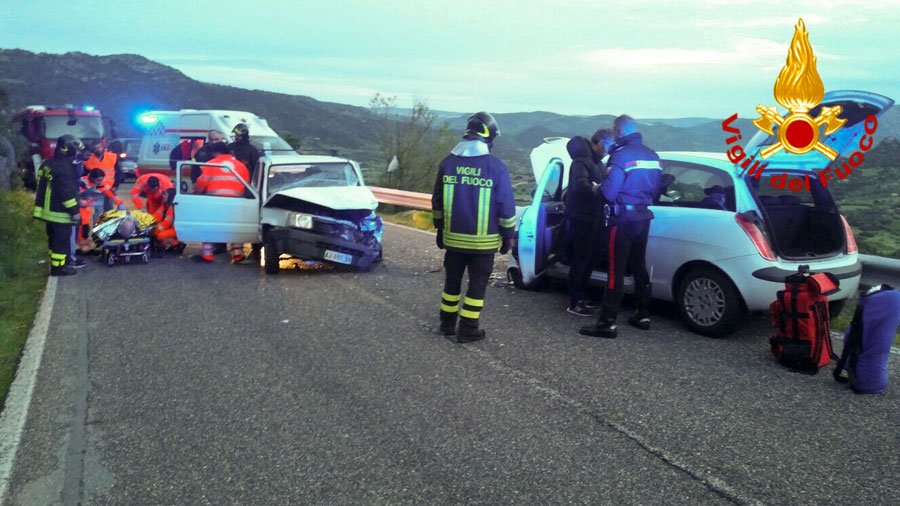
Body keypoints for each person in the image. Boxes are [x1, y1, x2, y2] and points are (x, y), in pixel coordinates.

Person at [432, 112, 516, 343]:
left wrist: (440, 229)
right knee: (477, 287)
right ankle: (468, 328)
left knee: (451, 284)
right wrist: (508, 236)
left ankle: (446, 324)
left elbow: (437, 202)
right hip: (483, 244)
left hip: (453, 241)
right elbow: (506, 206)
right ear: (489, 137)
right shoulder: (496, 167)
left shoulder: (448, 163)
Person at [580, 115, 662, 338]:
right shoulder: (652, 155)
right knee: (639, 268)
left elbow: (608, 193)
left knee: (616, 270)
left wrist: (597, 187)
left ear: (619, 132)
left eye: (614, 132)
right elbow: (656, 191)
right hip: (643, 218)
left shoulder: (620, 156)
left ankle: (607, 323)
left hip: (622, 221)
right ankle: (642, 315)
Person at [564, 134, 606, 316]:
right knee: (582, 258)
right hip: (583, 218)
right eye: (606, 145)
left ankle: (580, 295)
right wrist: (597, 188)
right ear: (596, 144)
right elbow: (580, 185)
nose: (607, 150)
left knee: (590, 258)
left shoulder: (596, 163)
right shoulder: (582, 162)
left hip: (593, 217)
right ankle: (575, 301)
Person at [33, 134, 83, 276]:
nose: (77, 153)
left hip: (48, 211)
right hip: (60, 212)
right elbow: (65, 193)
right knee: (62, 240)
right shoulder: (64, 168)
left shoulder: (47, 163)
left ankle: (56, 263)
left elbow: (42, 185)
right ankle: (59, 268)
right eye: (76, 150)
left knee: (53, 239)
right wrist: (75, 210)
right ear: (68, 149)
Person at [194, 142, 250, 264]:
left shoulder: (211, 163)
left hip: (215, 201)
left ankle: (207, 254)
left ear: (215, 152)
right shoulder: (240, 165)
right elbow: (247, 182)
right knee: (235, 228)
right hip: (236, 201)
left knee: (209, 225)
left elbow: (202, 182)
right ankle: (237, 254)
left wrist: (196, 192)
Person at [77, 168, 123, 251]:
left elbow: (111, 194)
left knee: (99, 219)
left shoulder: (102, 184)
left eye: (101, 180)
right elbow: (76, 195)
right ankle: (82, 242)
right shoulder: (82, 182)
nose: (100, 182)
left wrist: (119, 203)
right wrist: (82, 201)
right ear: (91, 178)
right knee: (84, 222)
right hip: (82, 204)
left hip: (94, 203)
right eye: (98, 180)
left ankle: (97, 238)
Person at [83, 139, 123, 211]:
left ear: (103, 147)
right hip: (95, 190)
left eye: (99, 147)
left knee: (108, 208)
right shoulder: (88, 159)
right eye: (95, 148)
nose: (97, 150)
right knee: (98, 210)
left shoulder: (112, 157)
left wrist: (115, 186)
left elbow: (119, 173)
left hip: (110, 188)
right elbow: (84, 175)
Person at [151, 188, 185, 254]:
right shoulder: (164, 206)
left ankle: (177, 244)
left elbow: (167, 223)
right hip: (170, 228)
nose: (163, 196)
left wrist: (154, 230)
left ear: (170, 196)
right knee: (155, 232)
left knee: (160, 236)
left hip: (176, 229)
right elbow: (156, 216)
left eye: (165, 195)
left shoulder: (172, 208)